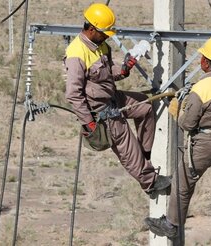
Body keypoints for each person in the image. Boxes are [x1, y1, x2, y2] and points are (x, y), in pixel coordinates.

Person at [64, 3, 170, 197]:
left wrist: (123, 69)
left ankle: (144, 154)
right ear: (91, 29)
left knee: (145, 105)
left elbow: (108, 72)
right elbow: (73, 94)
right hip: (100, 109)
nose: (106, 36)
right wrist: (89, 122)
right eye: (104, 32)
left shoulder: (100, 45)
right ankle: (150, 183)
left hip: (113, 96)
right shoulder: (77, 53)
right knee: (125, 143)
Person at [144, 37, 211, 238]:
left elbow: (187, 124)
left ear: (205, 62)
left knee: (182, 184)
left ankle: (171, 224)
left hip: (207, 144)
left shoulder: (202, 89)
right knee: (185, 177)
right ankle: (174, 206)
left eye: (202, 58)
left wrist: (177, 109)